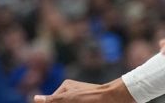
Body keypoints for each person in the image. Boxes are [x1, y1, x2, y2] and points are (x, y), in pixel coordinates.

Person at [34, 40, 165, 103]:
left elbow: (111, 94)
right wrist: (104, 92)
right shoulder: (75, 71)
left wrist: (104, 93)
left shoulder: (113, 69)